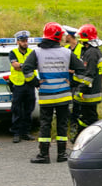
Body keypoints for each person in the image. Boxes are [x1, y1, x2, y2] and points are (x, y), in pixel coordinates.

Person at [22, 22, 86, 164]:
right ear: (57, 37)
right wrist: (73, 83)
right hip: (64, 94)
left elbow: (26, 69)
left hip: (46, 95)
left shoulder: (37, 53)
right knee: (62, 124)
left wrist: (35, 83)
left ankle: (44, 155)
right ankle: (62, 154)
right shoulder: (67, 52)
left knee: (45, 124)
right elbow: (81, 70)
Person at [73, 24, 102, 137]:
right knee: (87, 116)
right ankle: (83, 136)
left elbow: (89, 74)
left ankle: (85, 137)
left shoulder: (91, 53)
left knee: (89, 118)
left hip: (89, 92)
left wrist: (80, 89)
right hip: (91, 91)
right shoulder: (92, 51)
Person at [8, 30, 37, 143]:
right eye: (23, 41)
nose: (25, 43)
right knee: (17, 109)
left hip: (30, 84)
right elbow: (15, 66)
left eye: (26, 41)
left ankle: (26, 132)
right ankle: (16, 133)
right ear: (18, 42)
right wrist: (27, 66)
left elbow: (35, 65)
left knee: (28, 109)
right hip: (18, 85)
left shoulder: (32, 52)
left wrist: (23, 66)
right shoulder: (13, 52)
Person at [63, 30, 83, 137]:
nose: (64, 37)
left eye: (65, 35)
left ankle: (75, 128)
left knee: (77, 107)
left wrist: (72, 70)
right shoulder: (65, 49)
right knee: (65, 106)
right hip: (66, 82)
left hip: (78, 83)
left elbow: (84, 66)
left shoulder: (81, 49)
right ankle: (66, 127)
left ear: (70, 36)